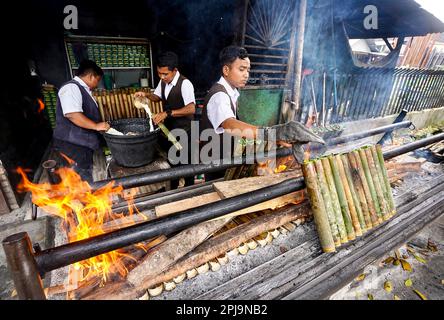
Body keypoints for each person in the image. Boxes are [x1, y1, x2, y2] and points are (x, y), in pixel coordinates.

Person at [200, 45, 324, 181]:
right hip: (216, 163)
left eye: (248, 70)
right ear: (226, 70)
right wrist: (270, 134)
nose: (246, 74)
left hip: (225, 159)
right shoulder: (219, 96)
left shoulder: (232, 93)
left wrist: (274, 138)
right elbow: (229, 124)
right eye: (241, 69)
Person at [134, 51, 196, 188]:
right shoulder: (163, 82)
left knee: (187, 166)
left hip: (186, 132)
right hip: (171, 131)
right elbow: (157, 97)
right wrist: (146, 95)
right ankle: (173, 189)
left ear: (175, 70)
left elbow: (191, 109)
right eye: (159, 73)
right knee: (173, 163)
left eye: (165, 74)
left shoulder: (185, 84)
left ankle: (190, 191)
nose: (162, 77)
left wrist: (167, 113)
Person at [52, 59, 110, 183]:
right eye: (97, 80)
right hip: (72, 145)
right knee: (77, 179)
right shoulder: (71, 88)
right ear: (91, 76)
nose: (97, 84)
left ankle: (86, 199)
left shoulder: (83, 90)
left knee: (84, 175)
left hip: (81, 144)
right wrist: (96, 126)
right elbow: (72, 114)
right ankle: (83, 201)